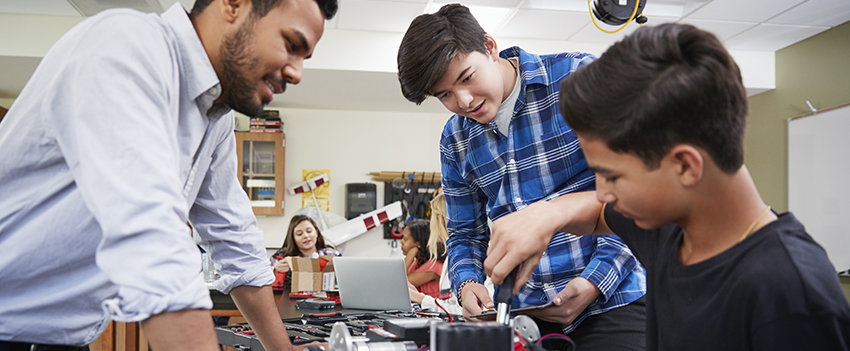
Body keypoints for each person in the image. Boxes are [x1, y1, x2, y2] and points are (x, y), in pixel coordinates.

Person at [487, 23, 850, 350]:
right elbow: (597, 213)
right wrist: (545, 214)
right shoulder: (668, 230)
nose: (603, 192)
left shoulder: (789, 291)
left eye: (612, 176)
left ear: (685, 165)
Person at [0, 0, 336, 350]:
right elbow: (151, 239)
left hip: (58, 339)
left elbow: (235, 238)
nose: (297, 73)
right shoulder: (126, 46)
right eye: (292, 45)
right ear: (234, 5)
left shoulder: (215, 119)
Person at [397, 4, 647, 348]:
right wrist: (467, 284)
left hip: (614, 300)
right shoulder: (454, 140)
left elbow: (638, 199)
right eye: (444, 95)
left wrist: (595, 282)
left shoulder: (577, 77)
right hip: (525, 315)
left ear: (489, 46)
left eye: (466, 78)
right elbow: (464, 234)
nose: (464, 101)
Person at [407, 192, 494, 315]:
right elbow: (450, 304)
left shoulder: (481, 256)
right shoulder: (451, 258)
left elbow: (469, 310)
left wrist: (421, 299)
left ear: (442, 220)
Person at [271, 215, 341, 291]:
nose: (306, 236)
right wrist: (274, 270)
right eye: (299, 234)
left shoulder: (332, 254)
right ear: (293, 238)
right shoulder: (281, 257)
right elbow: (263, 279)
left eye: (309, 231)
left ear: (316, 233)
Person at [400, 219, 446, 299]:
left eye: (405, 239)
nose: (401, 242)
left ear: (419, 243)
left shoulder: (434, 265)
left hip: (432, 310)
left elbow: (400, 284)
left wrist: (412, 252)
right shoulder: (419, 261)